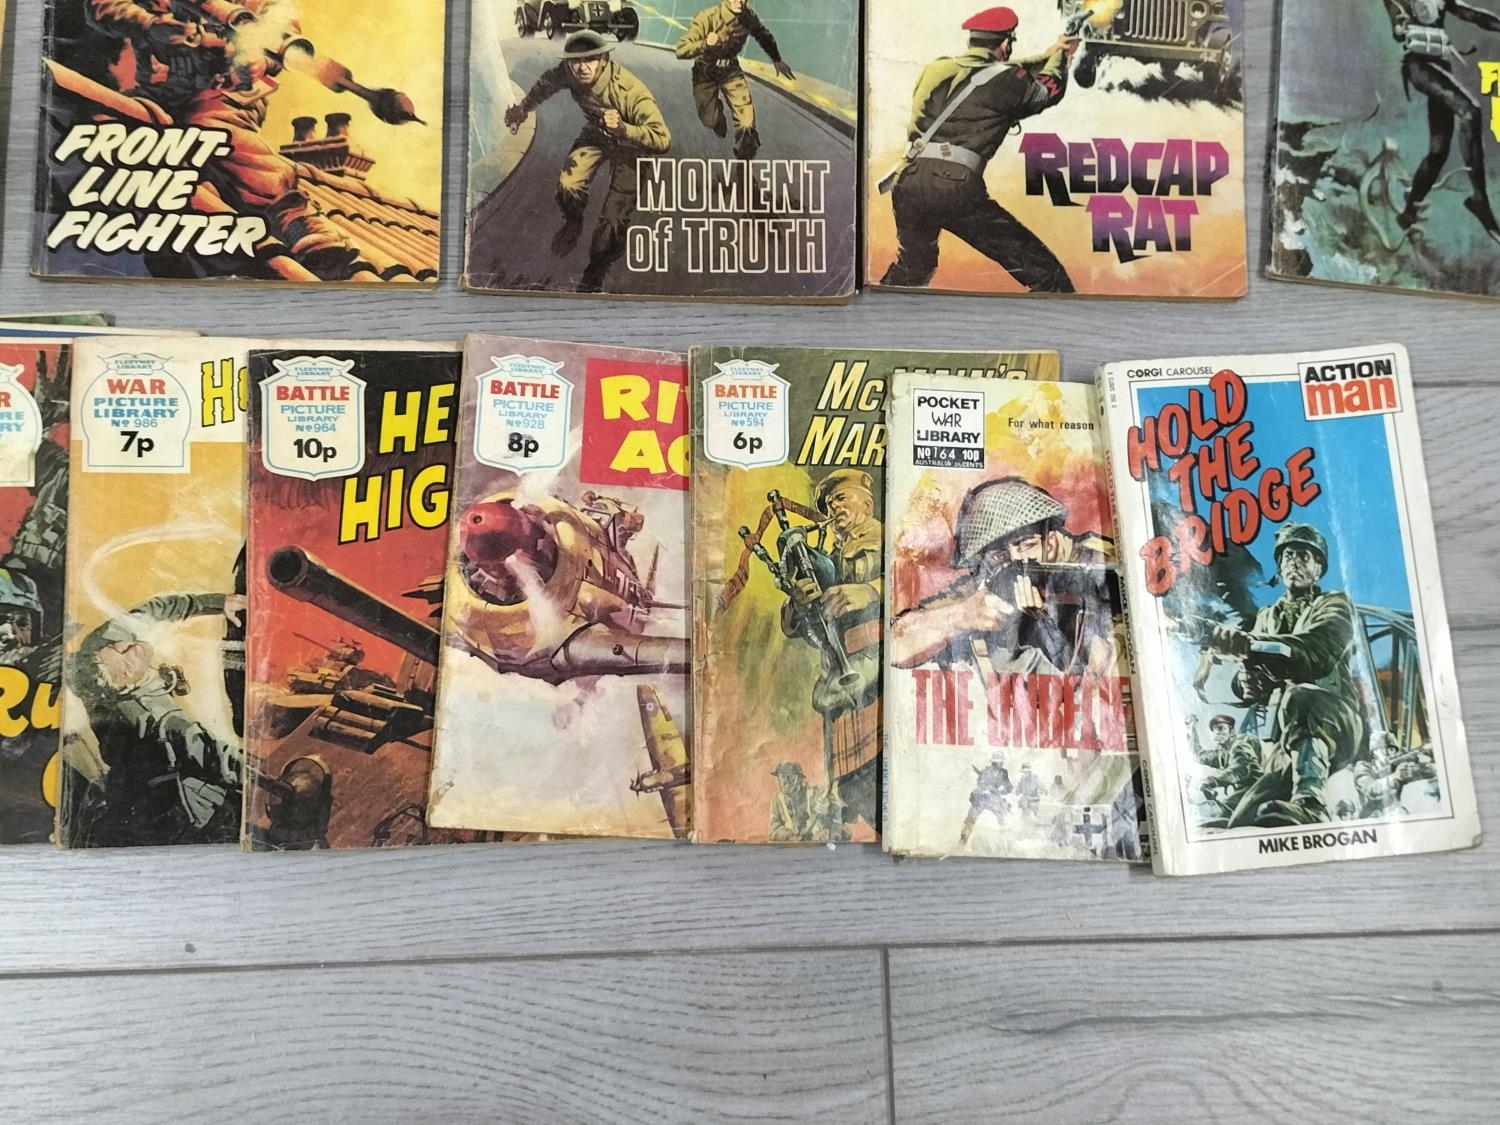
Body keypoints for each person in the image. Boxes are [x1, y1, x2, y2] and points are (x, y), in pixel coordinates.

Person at [84, 0, 415, 279]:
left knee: (228, 140)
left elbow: (281, 40)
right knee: (108, 128)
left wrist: (258, 61)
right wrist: (148, 23)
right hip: (160, 91)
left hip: (223, 96)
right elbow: (103, 6)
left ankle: (299, 222)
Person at [879, 6, 1079, 290]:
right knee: (1048, 275)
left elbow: (991, 71)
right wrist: (1060, 57)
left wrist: (1049, 53)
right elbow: (1047, 90)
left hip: (907, 181)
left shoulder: (936, 68)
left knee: (913, 268)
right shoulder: (1008, 80)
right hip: (954, 188)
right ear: (1006, 44)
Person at [1205, 523, 1364, 827]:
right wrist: (1246, 682)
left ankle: (1311, 804)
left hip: (1335, 720)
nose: (1294, 562)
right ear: (1279, 567)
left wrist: (1251, 645)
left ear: (1319, 569)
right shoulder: (1267, 617)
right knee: (1244, 818)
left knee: (1300, 696)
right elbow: (1250, 676)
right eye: (1288, 556)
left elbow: (1315, 650)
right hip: (1288, 740)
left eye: (1304, 556)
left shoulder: (1335, 604)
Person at [64, 592, 245, 846]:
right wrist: (253, 771)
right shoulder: (148, 713)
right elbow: (201, 748)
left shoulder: (104, 645)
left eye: (119, 646)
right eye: (128, 658)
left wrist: (215, 603)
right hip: (173, 806)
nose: (131, 646)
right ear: (128, 683)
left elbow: (154, 609)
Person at [888, 477, 1118, 677]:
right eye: (999, 555)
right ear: (985, 561)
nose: (1015, 560)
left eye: (1025, 544)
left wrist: (1058, 614)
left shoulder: (1091, 565)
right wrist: (961, 615)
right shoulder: (985, 588)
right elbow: (896, 645)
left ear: (1051, 543)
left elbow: (1107, 667)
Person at [505, 31, 671, 292]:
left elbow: (662, 139)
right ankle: (574, 220)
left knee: (612, 221)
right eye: (576, 61)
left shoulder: (631, 91)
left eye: (590, 60)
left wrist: (624, 129)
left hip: (632, 148)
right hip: (597, 134)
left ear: (604, 60)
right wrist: (523, 108)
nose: (582, 67)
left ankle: (598, 268)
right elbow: (547, 83)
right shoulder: (569, 72)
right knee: (568, 184)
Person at [778, 469, 883, 836]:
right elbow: (798, 627)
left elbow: (922, 579)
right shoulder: (827, 556)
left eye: (841, 498)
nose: (834, 507)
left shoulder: (890, 538)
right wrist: (799, 603)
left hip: (881, 670)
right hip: (839, 681)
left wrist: (871, 591)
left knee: (883, 769)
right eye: (828, 504)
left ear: (867, 503)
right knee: (852, 785)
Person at [1380, 0, 1500, 242]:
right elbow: (1397, 23)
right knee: (1470, 112)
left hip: (1440, 68)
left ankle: (1409, 211)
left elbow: (1471, 14)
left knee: (1438, 152)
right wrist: (1400, 24)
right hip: (1419, 65)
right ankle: (1479, 200)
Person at [675, 0, 795, 159]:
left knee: (747, 122)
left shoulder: (748, 16)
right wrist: (705, 43)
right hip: (705, 73)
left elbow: (762, 34)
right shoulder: (707, 17)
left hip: (730, 71)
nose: (739, 1)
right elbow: (681, 50)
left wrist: (776, 59)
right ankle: (716, 116)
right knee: (710, 120)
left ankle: (744, 156)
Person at [958, 753, 1012, 844]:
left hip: (991, 798)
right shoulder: (987, 772)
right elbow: (980, 784)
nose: (1002, 763)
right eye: (1000, 762)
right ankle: (963, 838)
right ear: (996, 762)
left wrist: (1000, 790)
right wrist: (987, 789)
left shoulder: (1002, 772)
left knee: (1003, 816)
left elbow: (1009, 787)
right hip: (982, 798)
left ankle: (1005, 840)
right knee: (971, 818)